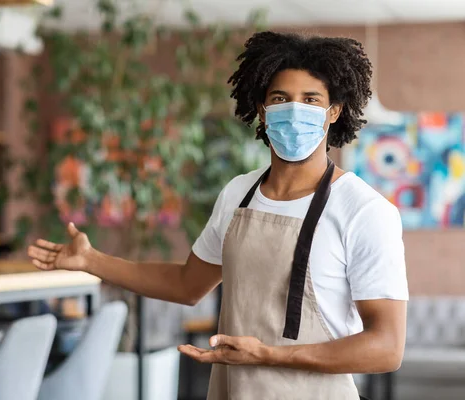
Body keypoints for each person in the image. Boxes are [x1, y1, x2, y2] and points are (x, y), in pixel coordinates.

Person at [28, 31, 408, 399]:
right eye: (281, 98)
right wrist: (91, 260)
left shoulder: (364, 211)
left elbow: (387, 347)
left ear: (334, 112)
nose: (295, 110)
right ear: (262, 109)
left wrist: (269, 355)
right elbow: (185, 283)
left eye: (311, 100)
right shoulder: (238, 193)